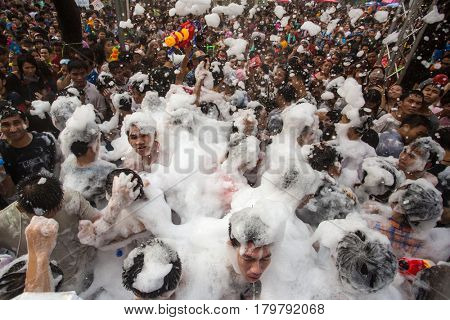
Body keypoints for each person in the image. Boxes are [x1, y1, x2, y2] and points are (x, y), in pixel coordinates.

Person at [0, 172, 138, 293]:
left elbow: (103, 224)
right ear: (23, 210)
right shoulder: (6, 224)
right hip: (52, 286)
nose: (60, 208)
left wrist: (113, 208)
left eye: (60, 203)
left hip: (92, 268)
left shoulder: (69, 197)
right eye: (52, 211)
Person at [0, 106, 61, 197]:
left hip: (55, 194)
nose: (12, 129)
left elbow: (59, 167)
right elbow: (9, 194)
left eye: (17, 123)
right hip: (25, 203)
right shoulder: (2, 152)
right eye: (6, 125)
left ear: (26, 123)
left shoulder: (46, 139)